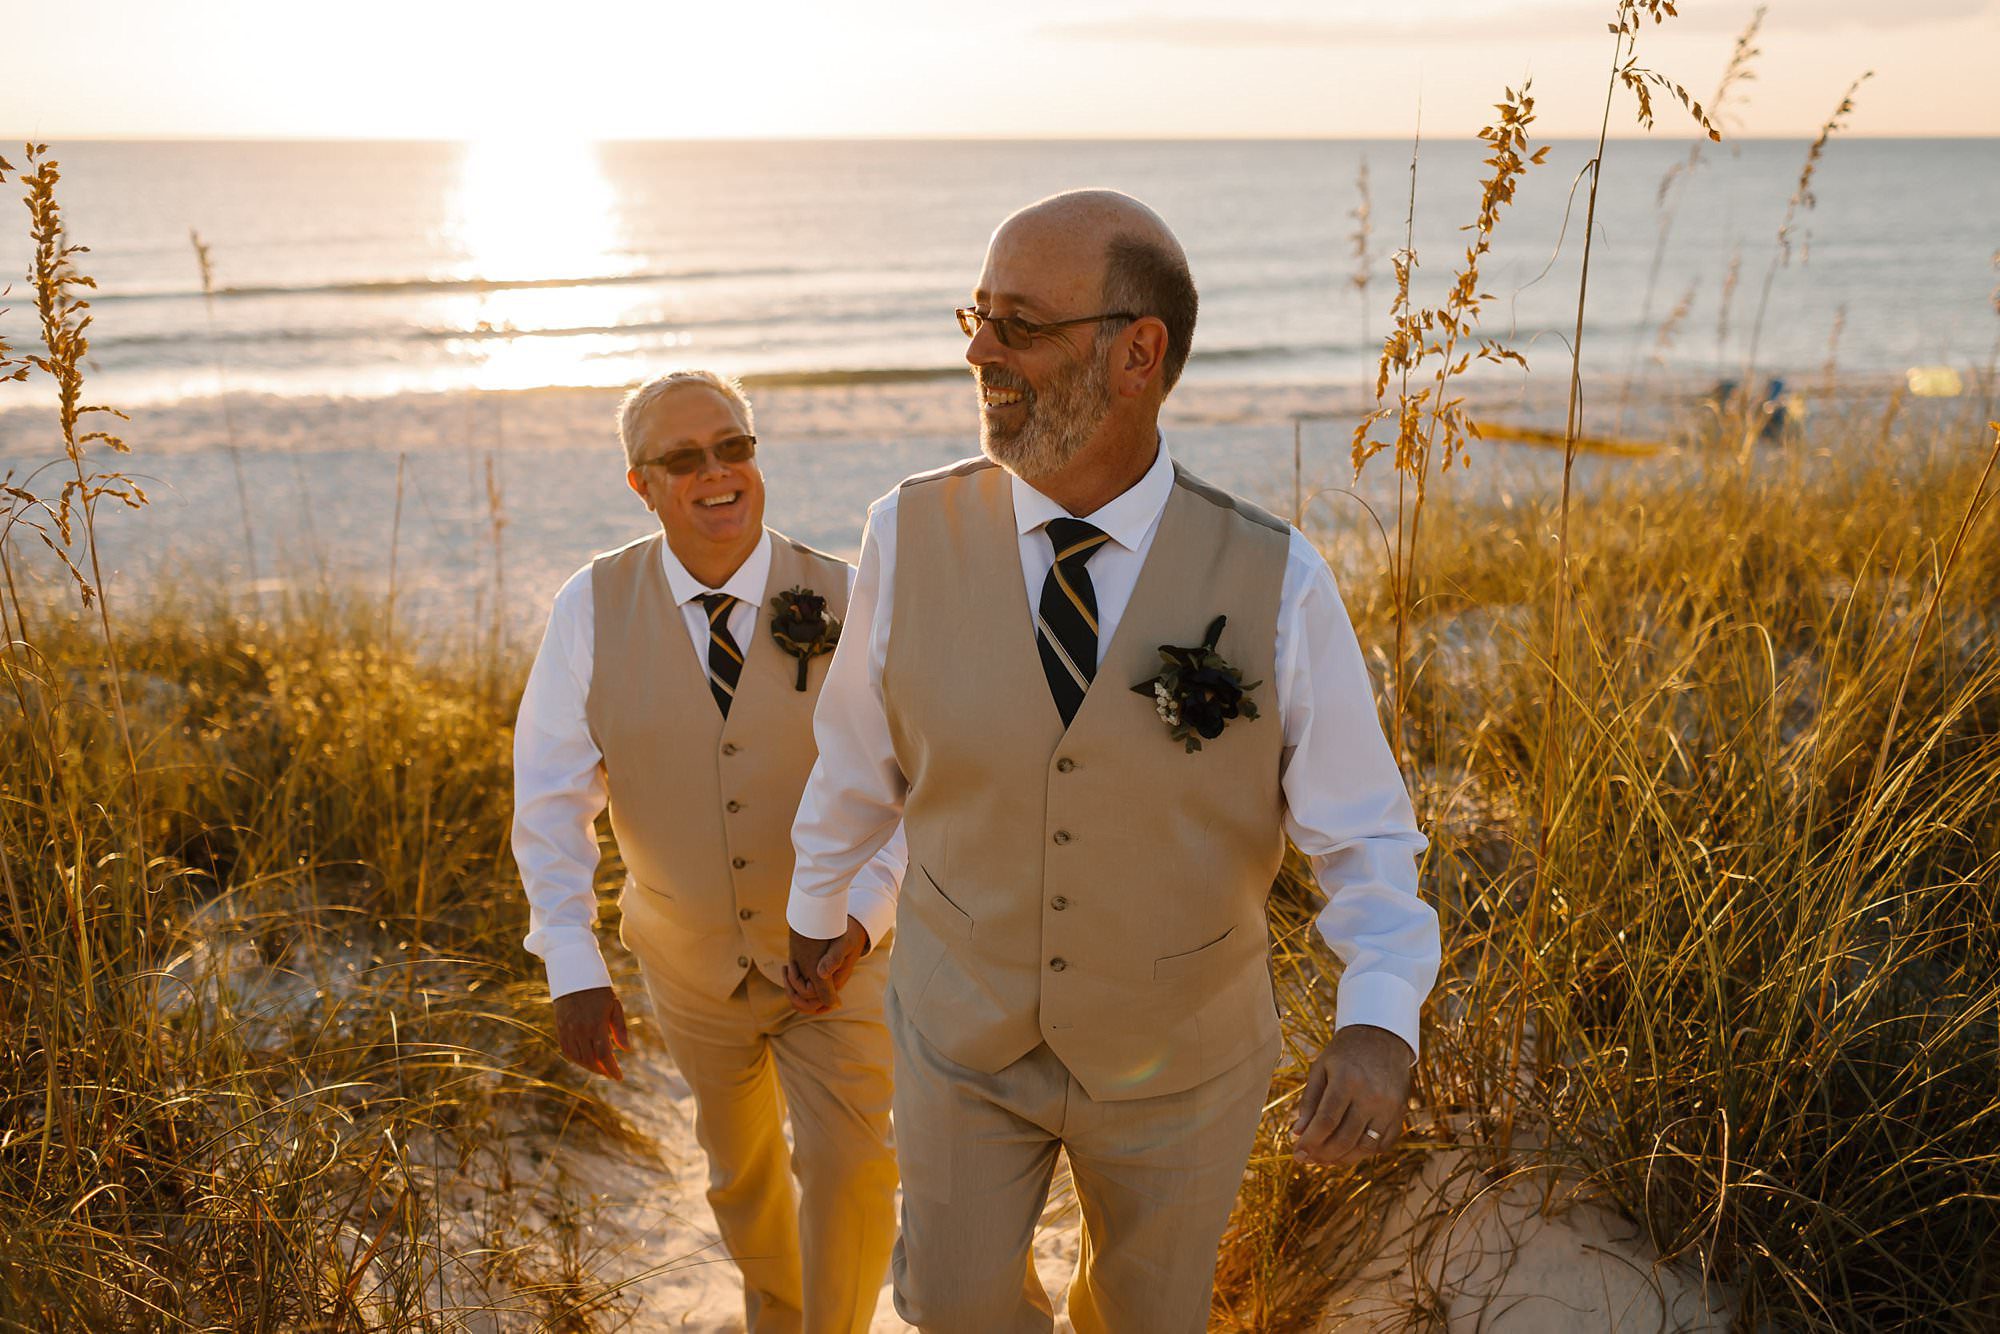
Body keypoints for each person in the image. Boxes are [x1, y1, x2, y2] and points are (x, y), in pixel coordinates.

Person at [785, 192, 1441, 1332]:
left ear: (1137, 351)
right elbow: (857, 759)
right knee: (950, 1300)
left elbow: (1365, 831)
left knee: (1145, 1314)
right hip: (961, 1030)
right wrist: (817, 903)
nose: (980, 351)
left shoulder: (1275, 580)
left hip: (1180, 1055)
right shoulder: (904, 531)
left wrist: (1379, 1017)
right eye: (975, 315)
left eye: (1020, 323)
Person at [512, 369, 900, 1334]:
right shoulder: (591, 608)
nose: (716, 473)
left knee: (853, 1169)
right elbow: (554, 798)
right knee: (740, 1178)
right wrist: (573, 963)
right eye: (684, 459)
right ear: (641, 484)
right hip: (686, 960)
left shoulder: (850, 595)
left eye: (734, 446)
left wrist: (861, 917)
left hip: (842, 956)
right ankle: (778, 1313)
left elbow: (914, 791)